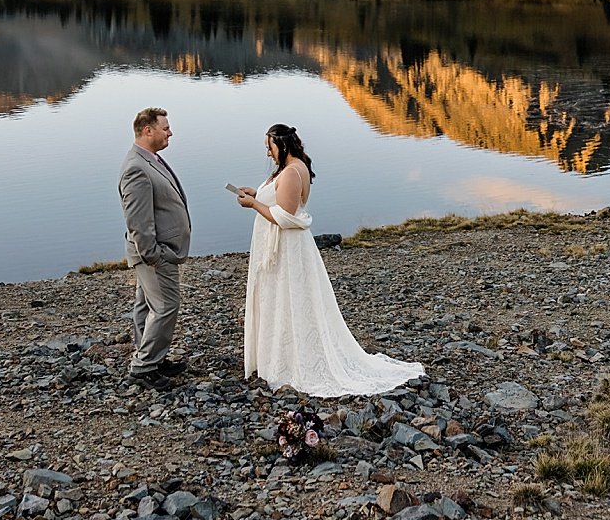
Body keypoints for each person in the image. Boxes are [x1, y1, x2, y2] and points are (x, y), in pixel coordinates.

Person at [236, 123, 423, 397]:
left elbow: (285, 217)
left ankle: (289, 362)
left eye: (270, 147)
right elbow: (280, 202)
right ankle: (282, 354)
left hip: (286, 250)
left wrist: (253, 205)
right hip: (286, 248)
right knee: (287, 300)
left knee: (288, 300)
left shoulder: (290, 172)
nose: (267, 153)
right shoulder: (292, 168)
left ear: (282, 145)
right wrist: (258, 194)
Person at [120, 107, 192, 391]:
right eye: (165, 127)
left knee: (146, 305)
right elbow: (138, 219)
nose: (170, 132)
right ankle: (144, 367)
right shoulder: (136, 168)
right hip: (153, 254)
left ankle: (153, 357)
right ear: (147, 130)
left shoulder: (151, 159)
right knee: (165, 306)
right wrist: (153, 255)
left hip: (157, 251)